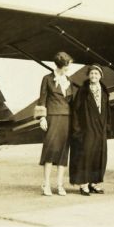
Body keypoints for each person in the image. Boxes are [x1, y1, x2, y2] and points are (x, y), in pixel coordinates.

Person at [35, 51, 74, 196]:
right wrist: (42, 118)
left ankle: (59, 185)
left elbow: (71, 101)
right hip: (52, 117)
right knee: (50, 150)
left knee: (64, 151)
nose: (68, 69)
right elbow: (42, 99)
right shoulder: (47, 79)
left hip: (67, 118)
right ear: (60, 65)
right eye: (67, 66)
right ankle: (46, 184)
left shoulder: (68, 79)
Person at [69, 64, 111, 196]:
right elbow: (75, 111)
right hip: (87, 128)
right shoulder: (83, 91)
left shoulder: (104, 91)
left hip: (100, 128)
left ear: (100, 76)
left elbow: (107, 111)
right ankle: (84, 184)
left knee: (99, 155)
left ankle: (94, 183)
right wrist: (77, 130)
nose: (94, 76)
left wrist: (107, 126)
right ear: (89, 75)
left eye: (96, 74)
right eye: (92, 73)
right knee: (85, 155)